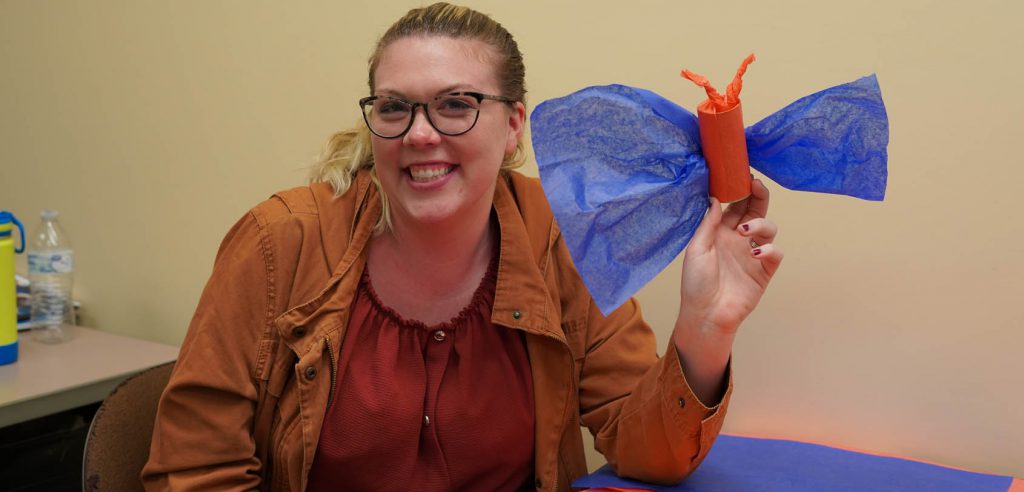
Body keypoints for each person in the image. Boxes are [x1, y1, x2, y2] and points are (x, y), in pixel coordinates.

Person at [142, 3, 782, 491]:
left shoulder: (555, 238)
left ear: (513, 127)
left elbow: (644, 449)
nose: (420, 135)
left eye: (456, 105)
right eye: (395, 108)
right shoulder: (279, 243)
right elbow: (195, 469)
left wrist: (704, 329)